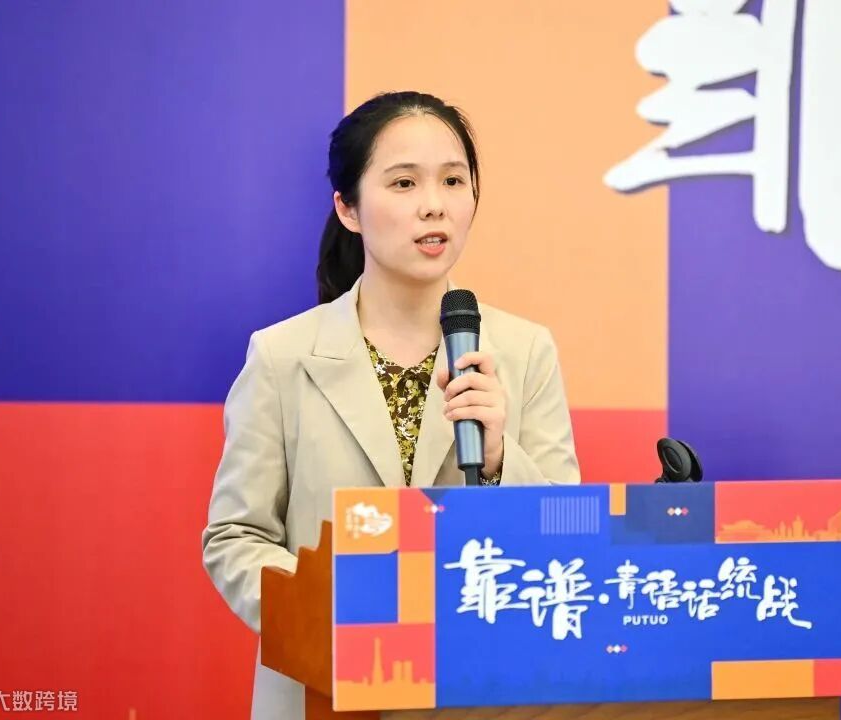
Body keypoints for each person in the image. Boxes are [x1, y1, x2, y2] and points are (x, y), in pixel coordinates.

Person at [202, 90, 580, 720]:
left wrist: (497, 459)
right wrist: (332, 617)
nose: (434, 204)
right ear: (348, 208)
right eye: (404, 183)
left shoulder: (523, 351)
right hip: (325, 688)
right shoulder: (282, 356)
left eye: (453, 180)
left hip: (475, 692)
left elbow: (567, 539)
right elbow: (236, 537)